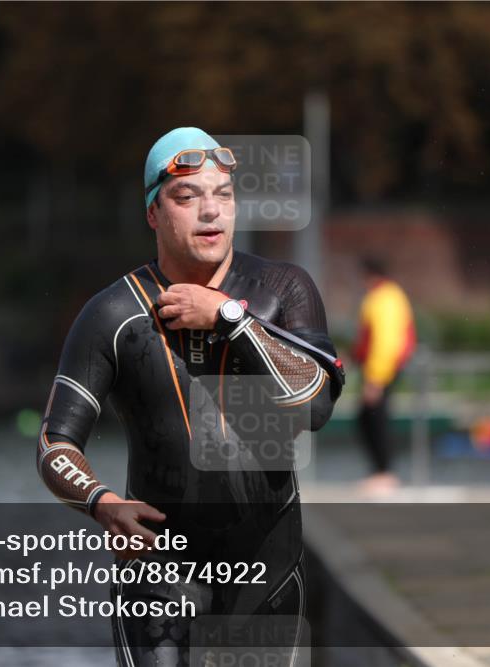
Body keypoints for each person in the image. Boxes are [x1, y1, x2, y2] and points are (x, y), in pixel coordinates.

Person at [36, 127, 344, 667]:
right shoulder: (113, 315)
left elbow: (315, 405)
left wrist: (230, 319)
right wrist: (101, 503)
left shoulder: (283, 291)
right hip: (156, 575)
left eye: (223, 194)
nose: (211, 211)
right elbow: (54, 444)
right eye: (188, 197)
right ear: (154, 214)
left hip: (265, 574)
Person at [351, 256, 416, 495]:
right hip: (378, 369)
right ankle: (381, 471)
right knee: (369, 418)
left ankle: (384, 473)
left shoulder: (384, 298)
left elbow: (385, 341)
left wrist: (375, 379)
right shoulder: (385, 296)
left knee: (375, 419)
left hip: (381, 371)